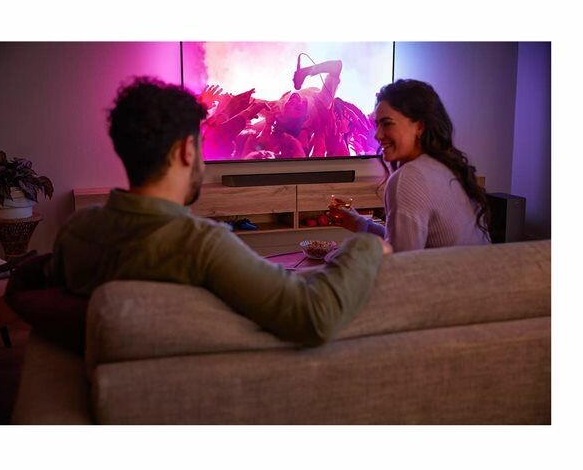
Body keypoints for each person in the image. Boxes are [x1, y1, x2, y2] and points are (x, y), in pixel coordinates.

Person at [47, 76, 391, 346]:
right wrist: (368, 245)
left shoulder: (76, 231)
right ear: (186, 151)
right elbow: (313, 317)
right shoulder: (201, 246)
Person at [330, 79, 491, 252]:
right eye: (377, 125)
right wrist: (360, 224)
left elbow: (401, 262)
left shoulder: (409, 176)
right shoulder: (443, 166)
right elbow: (403, 244)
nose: (378, 135)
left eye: (387, 123)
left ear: (420, 126)